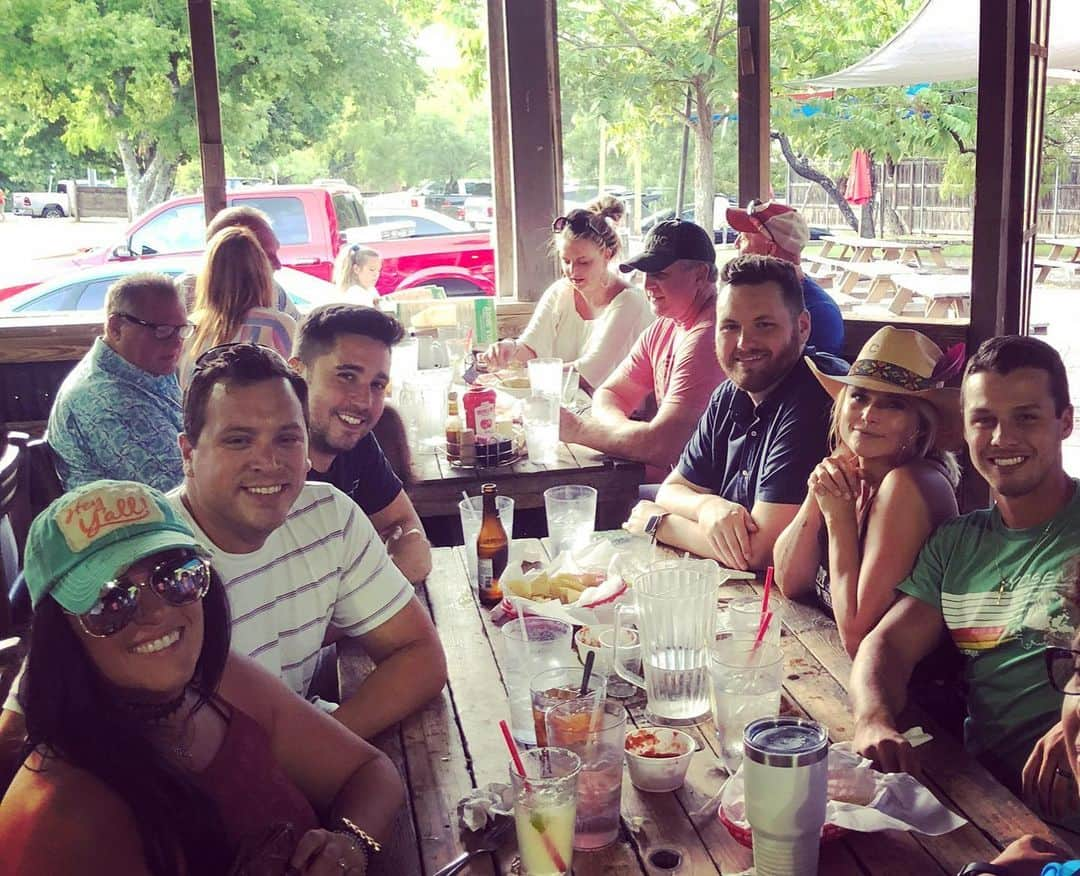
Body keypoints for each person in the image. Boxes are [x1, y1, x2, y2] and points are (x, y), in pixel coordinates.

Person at [0, 479, 403, 875]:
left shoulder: (218, 682)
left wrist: (350, 844)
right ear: (61, 635)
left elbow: (369, 771)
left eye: (175, 575)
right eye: (111, 600)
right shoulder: (65, 820)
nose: (156, 611)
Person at [851, 335, 1080, 826]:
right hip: (984, 801)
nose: (1001, 438)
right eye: (984, 420)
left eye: (1026, 417)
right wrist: (873, 718)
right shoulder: (957, 542)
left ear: (1065, 422)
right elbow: (885, 646)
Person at [172, 342, 446, 739]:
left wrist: (321, 749)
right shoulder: (157, 564)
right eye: (238, 440)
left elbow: (421, 657)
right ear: (188, 454)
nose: (268, 462)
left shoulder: (328, 515)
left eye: (287, 439)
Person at [622, 254, 847, 570]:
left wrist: (658, 524)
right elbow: (673, 489)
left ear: (803, 327)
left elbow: (761, 552)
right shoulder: (731, 394)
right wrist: (706, 506)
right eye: (730, 326)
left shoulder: (816, 397)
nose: (744, 342)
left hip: (811, 610)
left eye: (764, 325)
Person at [773, 327, 962, 657]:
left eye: (893, 405)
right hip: (833, 668)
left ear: (920, 424)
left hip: (913, 699)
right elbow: (790, 580)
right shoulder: (850, 465)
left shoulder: (908, 484)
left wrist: (839, 520)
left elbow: (858, 637)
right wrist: (816, 495)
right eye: (860, 396)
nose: (869, 415)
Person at [558, 218, 725, 480]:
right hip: (673, 482)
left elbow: (662, 446)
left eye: (660, 274)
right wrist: (628, 437)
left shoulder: (710, 334)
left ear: (700, 275)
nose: (648, 286)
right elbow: (611, 393)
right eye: (646, 274)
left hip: (711, 495)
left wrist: (578, 430)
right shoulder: (666, 326)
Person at [290, 304, 432, 584]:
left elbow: (405, 528)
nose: (363, 401)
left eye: (377, 385)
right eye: (347, 376)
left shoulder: (358, 442)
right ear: (298, 373)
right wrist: (390, 573)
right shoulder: (270, 466)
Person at [482, 197, 653, 393]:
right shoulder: (561, 291)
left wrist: (530, 374)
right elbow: (531, 347)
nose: (573, 271)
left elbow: (590, 372)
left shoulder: (630, 301)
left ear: (607, 254)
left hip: (619, 415)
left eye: (584, 262)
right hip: (570, 405)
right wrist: (508, 349)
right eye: (566, 261)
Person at [47, 272, 192, 492]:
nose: (177, 342)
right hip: (133, 523)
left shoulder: (148, 366)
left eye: (181, 330)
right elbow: (181, 491)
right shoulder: (106, 400)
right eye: (162, 330)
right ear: (116, 328)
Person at [177, 225, 297, 388]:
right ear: (261, 272)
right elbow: (298, 387)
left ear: (209, 276)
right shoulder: (279, 326)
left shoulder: (190, 328)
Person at [725, 200, 845, 356]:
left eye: (744, 237)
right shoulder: (757, 297)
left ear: (770, 249)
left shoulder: (819, 312)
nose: (736, 244)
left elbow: (814, 378)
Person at [175, 204, 301, 321]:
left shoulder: (276, 292)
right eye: (265, 257)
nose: (278, 265)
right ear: (224, 254)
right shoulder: (182, 294)